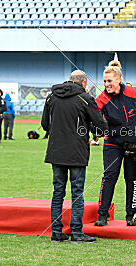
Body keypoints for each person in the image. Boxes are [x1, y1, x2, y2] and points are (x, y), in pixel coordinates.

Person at [41, 70, 108, 243]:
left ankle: (56, 231)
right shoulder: (86, 98)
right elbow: (100, 123)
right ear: (84, 82)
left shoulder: (51, 97)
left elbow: (44, 124)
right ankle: (77, 232)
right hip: (76, 151)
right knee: (77, 192)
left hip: (56, 151)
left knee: (58, 192)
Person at [94, 60, 136, 227]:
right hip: (113, 143)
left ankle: (131, 215)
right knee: (110, 176)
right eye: (104, 81)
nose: (106, 84)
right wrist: (100, 131)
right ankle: (103, 214)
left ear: (118, 79)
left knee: (132, 179)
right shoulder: (101, 99)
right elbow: (94, 120)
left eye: (109, 81)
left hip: (134, 143)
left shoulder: (133, 93)